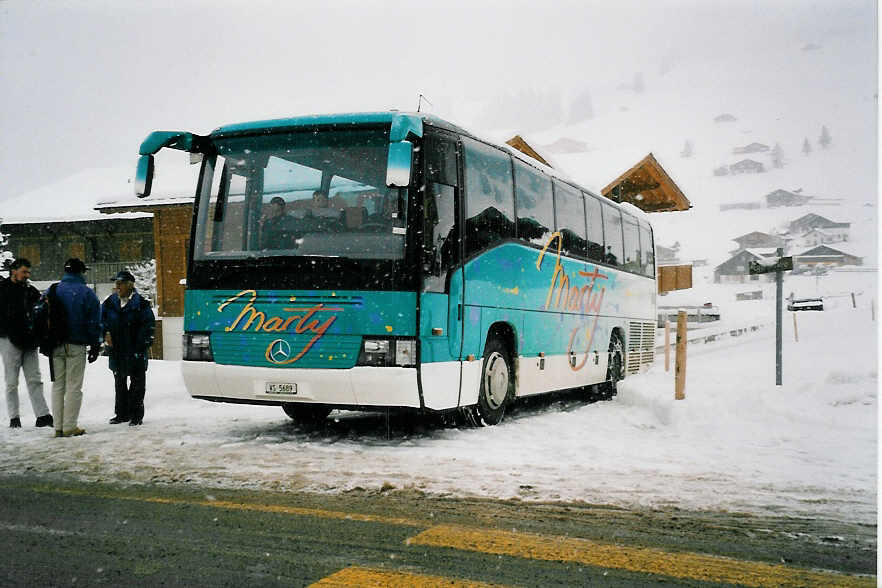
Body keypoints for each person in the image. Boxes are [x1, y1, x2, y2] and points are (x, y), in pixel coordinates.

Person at [47, 258, 101, 437]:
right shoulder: (86, 293)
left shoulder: (53, 290)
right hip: (76, 344)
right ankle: (70, 426)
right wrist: (94, 345)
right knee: (73, 386)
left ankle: (58, 427)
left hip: (55, 344)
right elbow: (93, 322)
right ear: (81, 272)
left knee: (58, 386)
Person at [0, 258, 53, 428]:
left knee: (34, 379)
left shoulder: (30, 291)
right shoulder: (3, 290)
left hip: (28, 340)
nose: (27, 275)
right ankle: (15, 417)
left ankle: (42, 415)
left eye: (28, 272)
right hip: (9, 338)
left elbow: (41, 312)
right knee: (12, 381)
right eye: (24, 272)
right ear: (13, 271)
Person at [101, 270, 155, 426]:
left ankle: (136, 415)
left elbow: (148, 328)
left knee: (137, 384)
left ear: (130, 285)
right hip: (117, 350)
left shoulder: (141, 305)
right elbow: (101, 321)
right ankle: (122, 414)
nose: (117, 287)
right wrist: (105, 333)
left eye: (120, 284)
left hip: (135, 350)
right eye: (116, 284)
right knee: (119, 383)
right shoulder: (109, 303)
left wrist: (140, 347)